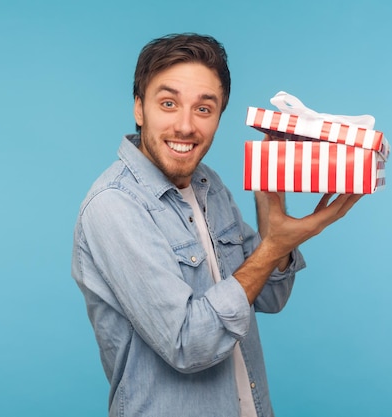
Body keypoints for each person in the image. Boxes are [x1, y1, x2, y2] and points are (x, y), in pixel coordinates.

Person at [71, 33, 361, 417]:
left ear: (220, 116)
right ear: (139, 109)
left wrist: (269, 199)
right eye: (169, 103)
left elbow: (270, 296)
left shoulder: (209, 185)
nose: (186, 126)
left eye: (204, 109)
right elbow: (190, 344)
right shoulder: (114, 206)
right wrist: (273, 246)